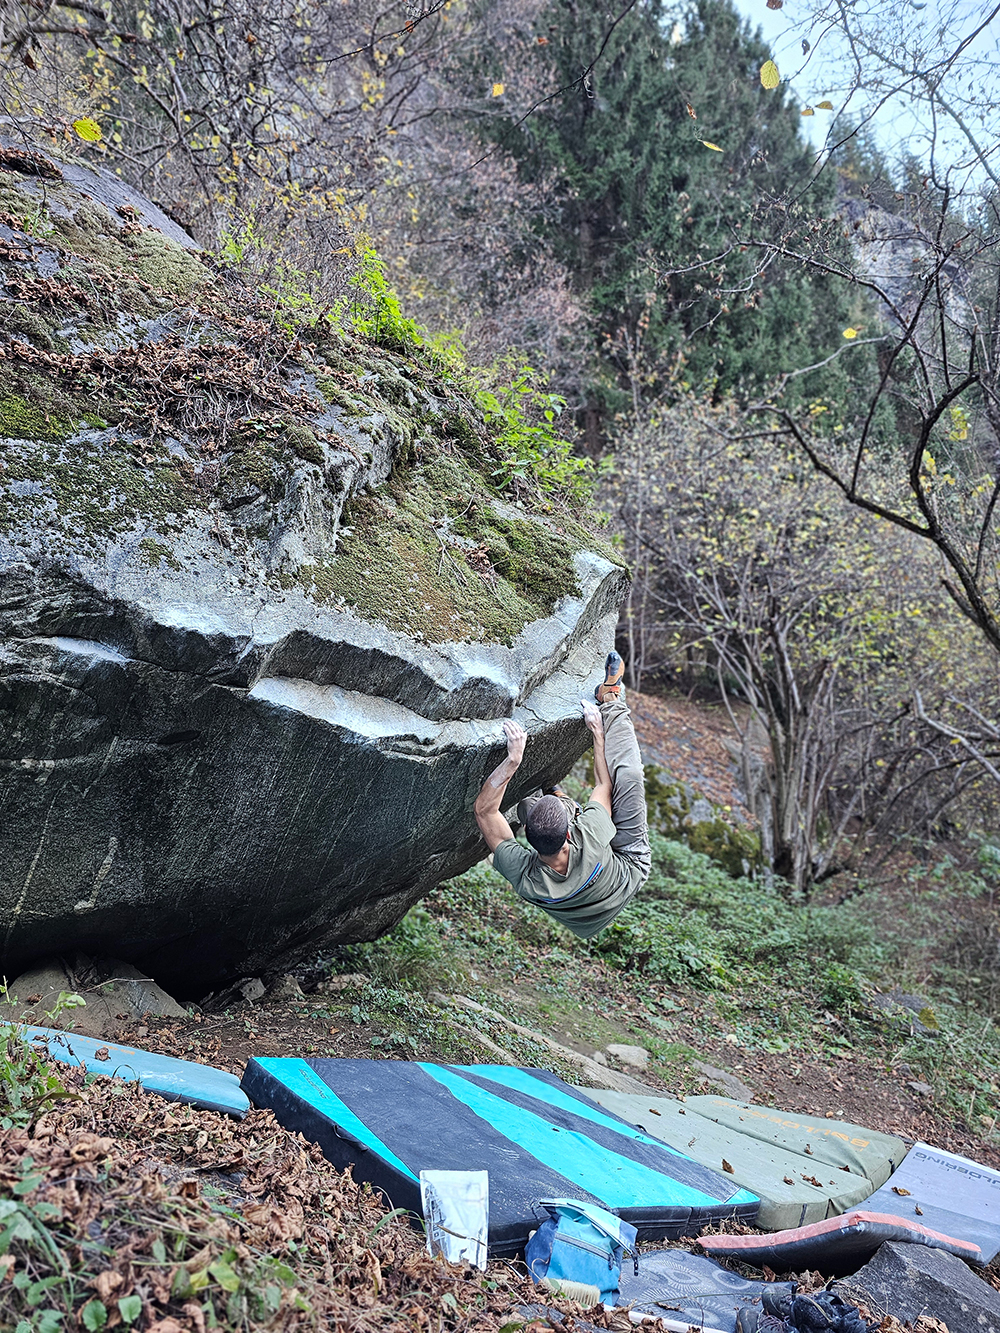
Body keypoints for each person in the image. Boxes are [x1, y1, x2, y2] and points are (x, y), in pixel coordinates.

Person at [473, 650, 650, 939]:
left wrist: (513, 761)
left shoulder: (524, 873)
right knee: (628, 776)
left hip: (596, 892)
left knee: (531, 805)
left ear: (526, 835)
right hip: (629, 868)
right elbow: (603, 785)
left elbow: (484, 811)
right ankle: (611, 700)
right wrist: (598, 731)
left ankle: (609, 696)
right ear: (570, 832)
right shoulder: (588, 835)